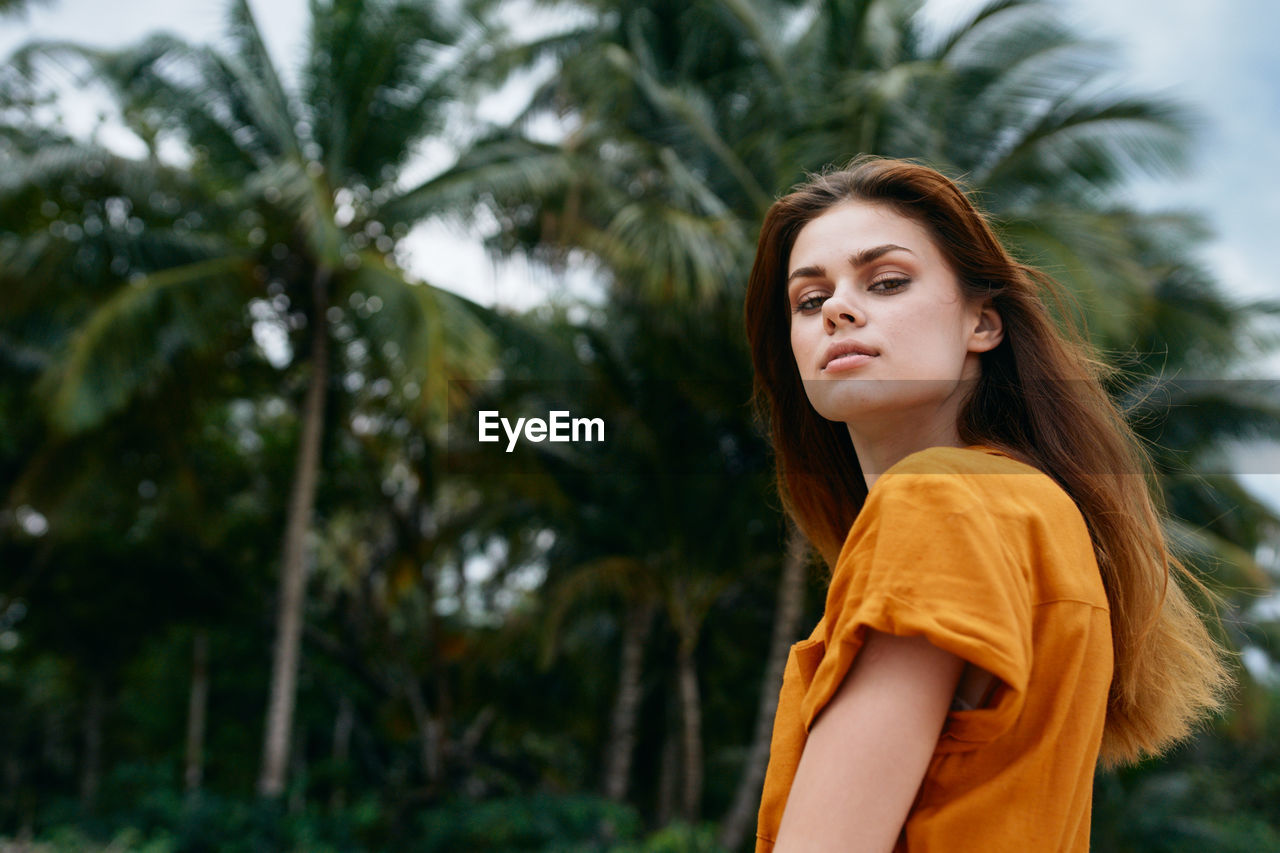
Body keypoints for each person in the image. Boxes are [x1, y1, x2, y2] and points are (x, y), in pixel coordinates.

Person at [742, 156, 1232, 852]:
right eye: (809, 300)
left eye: (886, 282)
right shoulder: (1037, 512)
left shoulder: (938, 502)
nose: (839, 310)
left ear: (983, 323)